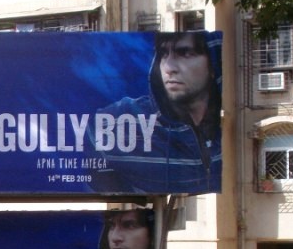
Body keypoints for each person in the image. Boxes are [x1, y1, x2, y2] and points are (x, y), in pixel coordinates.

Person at [89, 31, 222, 195]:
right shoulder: (120, 121)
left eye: (186, 53)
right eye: (164, 54)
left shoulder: (233, 128)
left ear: (213, 66)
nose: (169, 68)